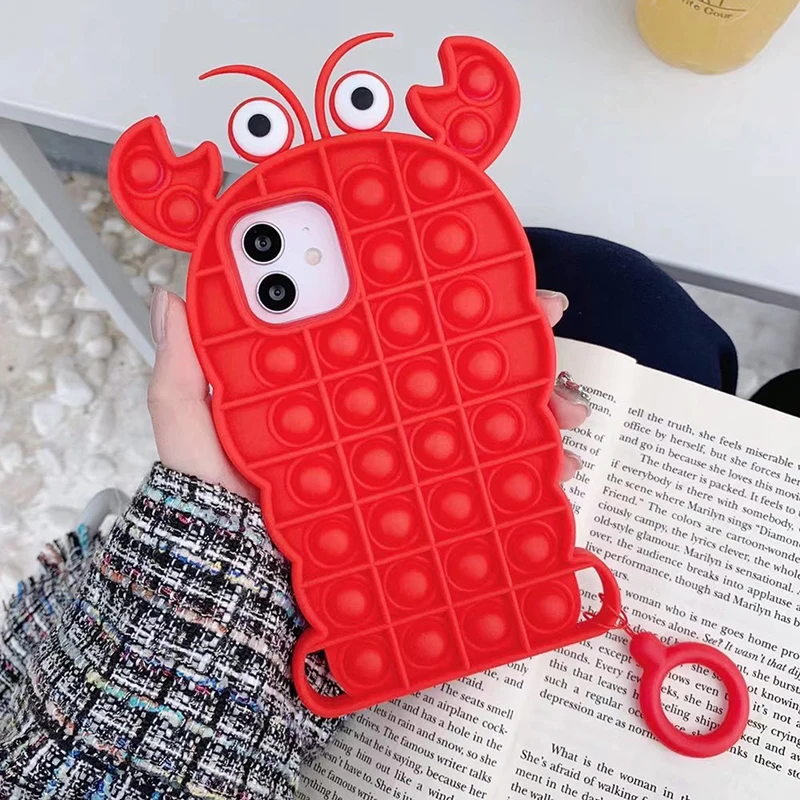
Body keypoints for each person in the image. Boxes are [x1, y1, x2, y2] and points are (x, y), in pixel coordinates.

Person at [0, 229, 739, 798]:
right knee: (626, 308)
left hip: (79, 662)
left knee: (592, 301)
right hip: (312, 679)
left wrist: (206, 570)